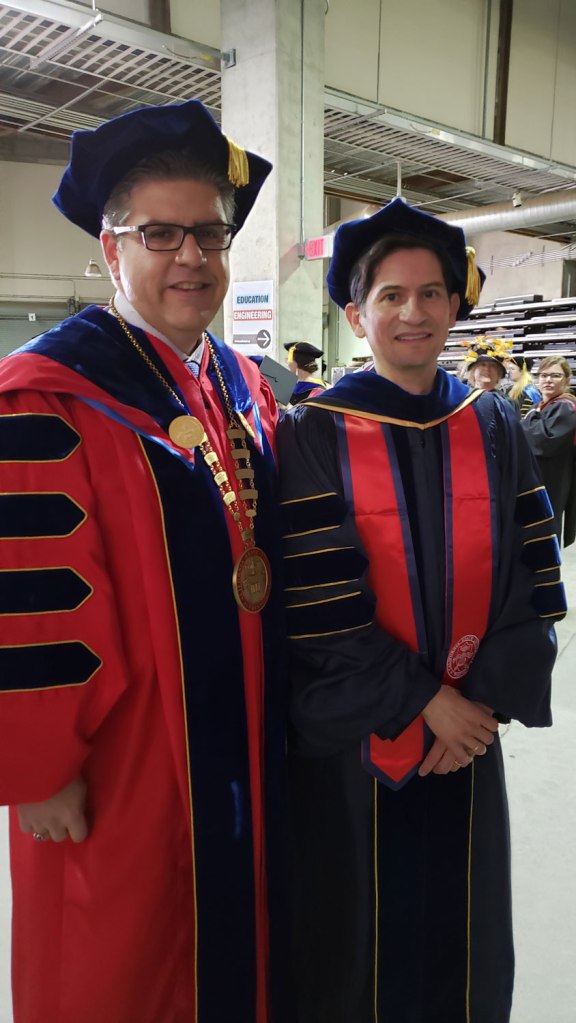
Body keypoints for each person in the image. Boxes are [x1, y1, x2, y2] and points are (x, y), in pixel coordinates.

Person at [0, 100, 287, 1023]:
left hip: (240, 736)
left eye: (209, 231)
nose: (191, 257)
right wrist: (40, 766)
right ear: (109, 247)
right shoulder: (47, 396)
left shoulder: (234, 382)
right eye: (160, 233)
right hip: (122, 763)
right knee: (122, 965)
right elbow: (28, 596)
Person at [276, 198, 566, 1023]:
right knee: (356, 933)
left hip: (467, 739)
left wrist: (480, 703)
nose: (414, 311)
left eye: (432, 293)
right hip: (360, 741)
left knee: (461, 932)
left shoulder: (495, 420)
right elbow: (315, 595)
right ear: (355, 311)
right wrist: (421, 700)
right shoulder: (311, 430)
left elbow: (532, 571)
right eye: (392, 295)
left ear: (454, 304)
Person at [523, 355, 576, 547]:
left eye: (555, 375)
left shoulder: (566, 407)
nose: (547, 380)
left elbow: (542, 441)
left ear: (567, 380)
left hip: (551, 480)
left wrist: (529, 420)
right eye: (543, 375)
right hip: (538, 479)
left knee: (544, 532)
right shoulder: (540, 406)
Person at [505, 352, 540, 417]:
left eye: (512, 369)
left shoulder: (530, 392)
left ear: (522, 370)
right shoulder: (510, 389)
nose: (509, 372)